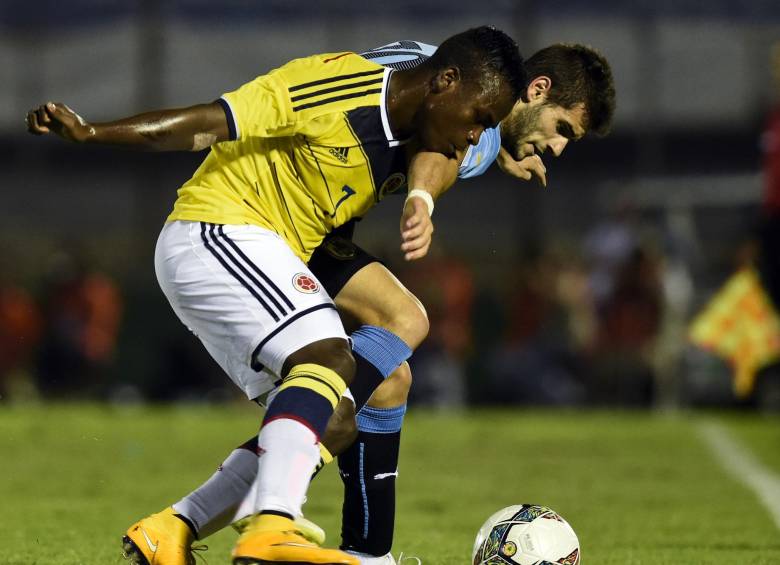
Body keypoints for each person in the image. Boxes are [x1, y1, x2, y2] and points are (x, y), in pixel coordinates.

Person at [98, 41, 615, 565]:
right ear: (537, 89)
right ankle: (273, 518)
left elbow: (445, 140)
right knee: (341, 382)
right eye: (564, 130)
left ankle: (325, 546)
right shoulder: (430, 96)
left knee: (384, 378)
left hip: (303, 231)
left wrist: (495, 152)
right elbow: (428, 145)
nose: (559, 149)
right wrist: (423, 197)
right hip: (244, 220)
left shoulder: (475, 120)